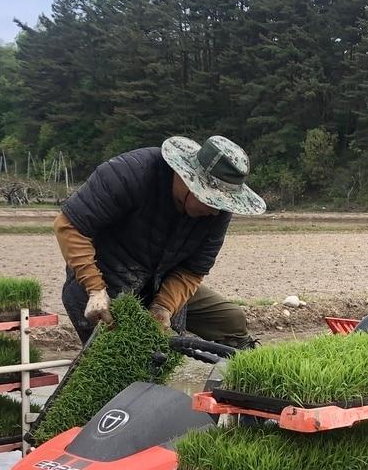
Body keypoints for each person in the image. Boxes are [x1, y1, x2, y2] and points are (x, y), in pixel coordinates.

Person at [54, 135, 265, 348]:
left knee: (231, 320)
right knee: (126, 358)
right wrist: (94, 289)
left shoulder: (217, 213)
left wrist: (163, 308)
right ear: (189, 181)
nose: (214, 211)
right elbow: (70, 226)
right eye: (212, 201)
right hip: (105, 284)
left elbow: (192, 271)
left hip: (160, 282)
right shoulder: (132, 173)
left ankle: (240, 375)